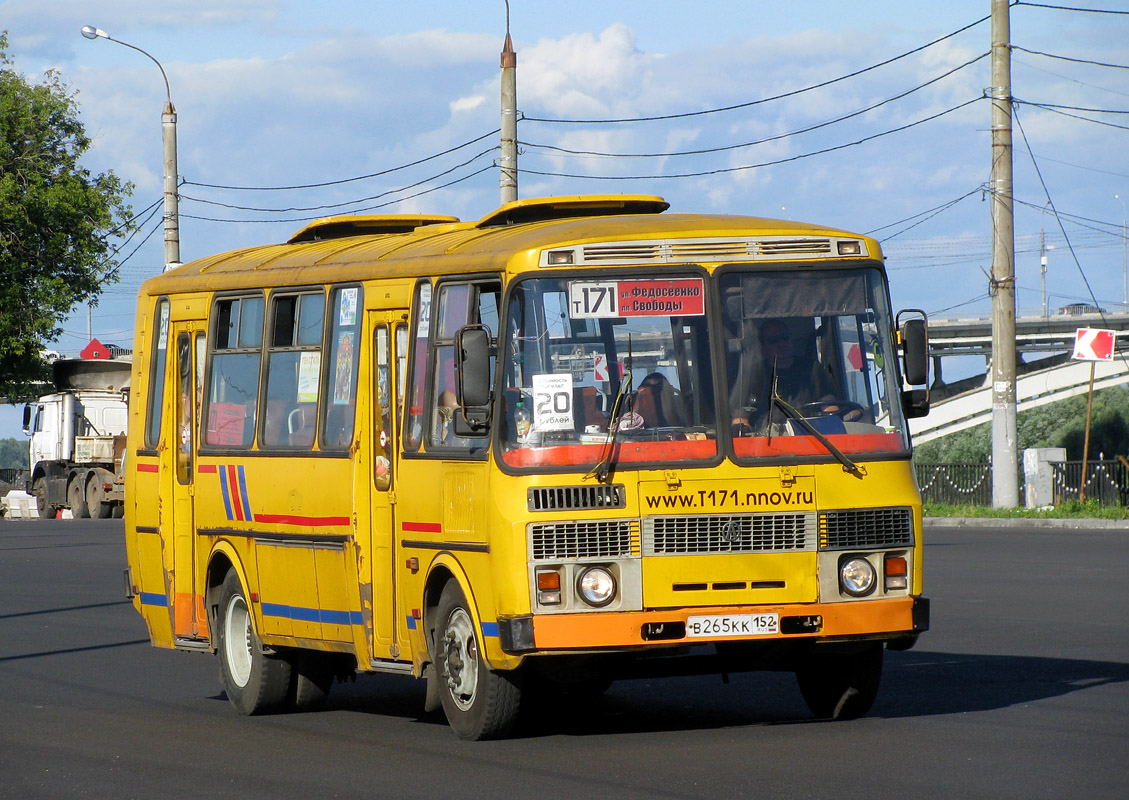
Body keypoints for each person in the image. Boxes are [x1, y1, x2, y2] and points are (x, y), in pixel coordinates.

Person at [730, 319, 837, 427]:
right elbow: (740, 419)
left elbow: (830, 409)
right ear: (762, 346)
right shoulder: (755, 374)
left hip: (811, 435)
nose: (781, 344)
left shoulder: (813, 369)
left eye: (785, 338)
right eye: (773, 341)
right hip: (767, 439)